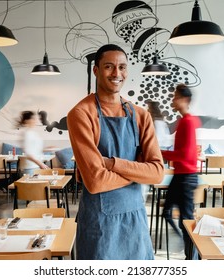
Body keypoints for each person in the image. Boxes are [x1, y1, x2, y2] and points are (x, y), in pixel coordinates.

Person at [67, 44, 164, 260]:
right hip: (99, 224)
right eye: (109, 67)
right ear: (96, 70)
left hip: (135, 219)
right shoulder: (81, 114)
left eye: (122, 67)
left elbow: (157, 173)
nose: (116, 73)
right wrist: (138, 173)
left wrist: (111, 164)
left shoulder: (140, 115)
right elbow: (95, 182)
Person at [161, 83, 201, 260]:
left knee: (185, 220)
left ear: (185, 100)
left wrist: (159, 152)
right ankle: (189, 250)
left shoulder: (188, 122)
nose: (173, 100)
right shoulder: (185, 121)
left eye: (176, 97)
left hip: (186, 178)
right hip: (180, 176)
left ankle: (191, 256)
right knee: (167, 212)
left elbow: (184, 154)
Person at [18, 111, 49, 175]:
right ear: (27, 120)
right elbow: (28, 153)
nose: (35, 121)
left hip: (36, 166)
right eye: (33, 119)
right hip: (29, 167)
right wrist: (40, 164)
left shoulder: (33, 133)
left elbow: (35, 150)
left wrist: (47, 149)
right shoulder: (26, 133)